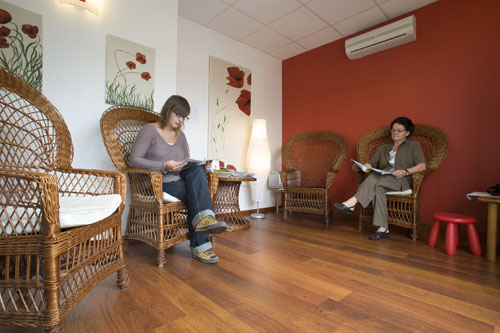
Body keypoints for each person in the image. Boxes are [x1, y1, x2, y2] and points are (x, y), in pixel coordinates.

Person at [129, 95, 227, 264]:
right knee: (195, 195)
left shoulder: (181, 136)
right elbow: (134, 160)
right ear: (168, 110)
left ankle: (205, 222)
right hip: (157, 183)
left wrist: (202, 167)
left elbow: (186, 162)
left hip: (178, 179)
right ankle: (201, 244)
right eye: (179, 115)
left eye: (184, 117)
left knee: (196, 170)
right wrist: (164, 165)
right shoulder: (149, 130)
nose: (181, 120)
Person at [333, 117, 426, 240]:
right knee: (378, 188)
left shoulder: (414, 146)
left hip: (401, 180)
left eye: (399, 130)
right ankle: (383, 228)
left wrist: (405, 172)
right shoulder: (383, 148)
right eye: (393, 130)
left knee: (374, 177)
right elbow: (372, 163)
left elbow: (422, 166)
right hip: (383, 179)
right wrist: (363, 166)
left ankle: (352, 203)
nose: (395, 133)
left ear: (407, 133)